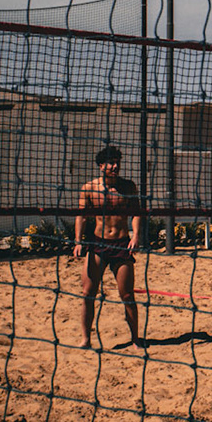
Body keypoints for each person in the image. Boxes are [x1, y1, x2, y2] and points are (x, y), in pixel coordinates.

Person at [74, 144, 144, 349]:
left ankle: (135, 339)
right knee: (88, 292)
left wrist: (136, 236)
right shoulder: (89, 188)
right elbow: (81, 215)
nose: (115, 166)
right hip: (98, 244)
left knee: (127, 295)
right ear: (100, 166)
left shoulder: (128, 187)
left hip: (122, 245)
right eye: (111, 163)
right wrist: (78, 241)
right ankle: (86, 339)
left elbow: (137, 213)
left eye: (117, 163)